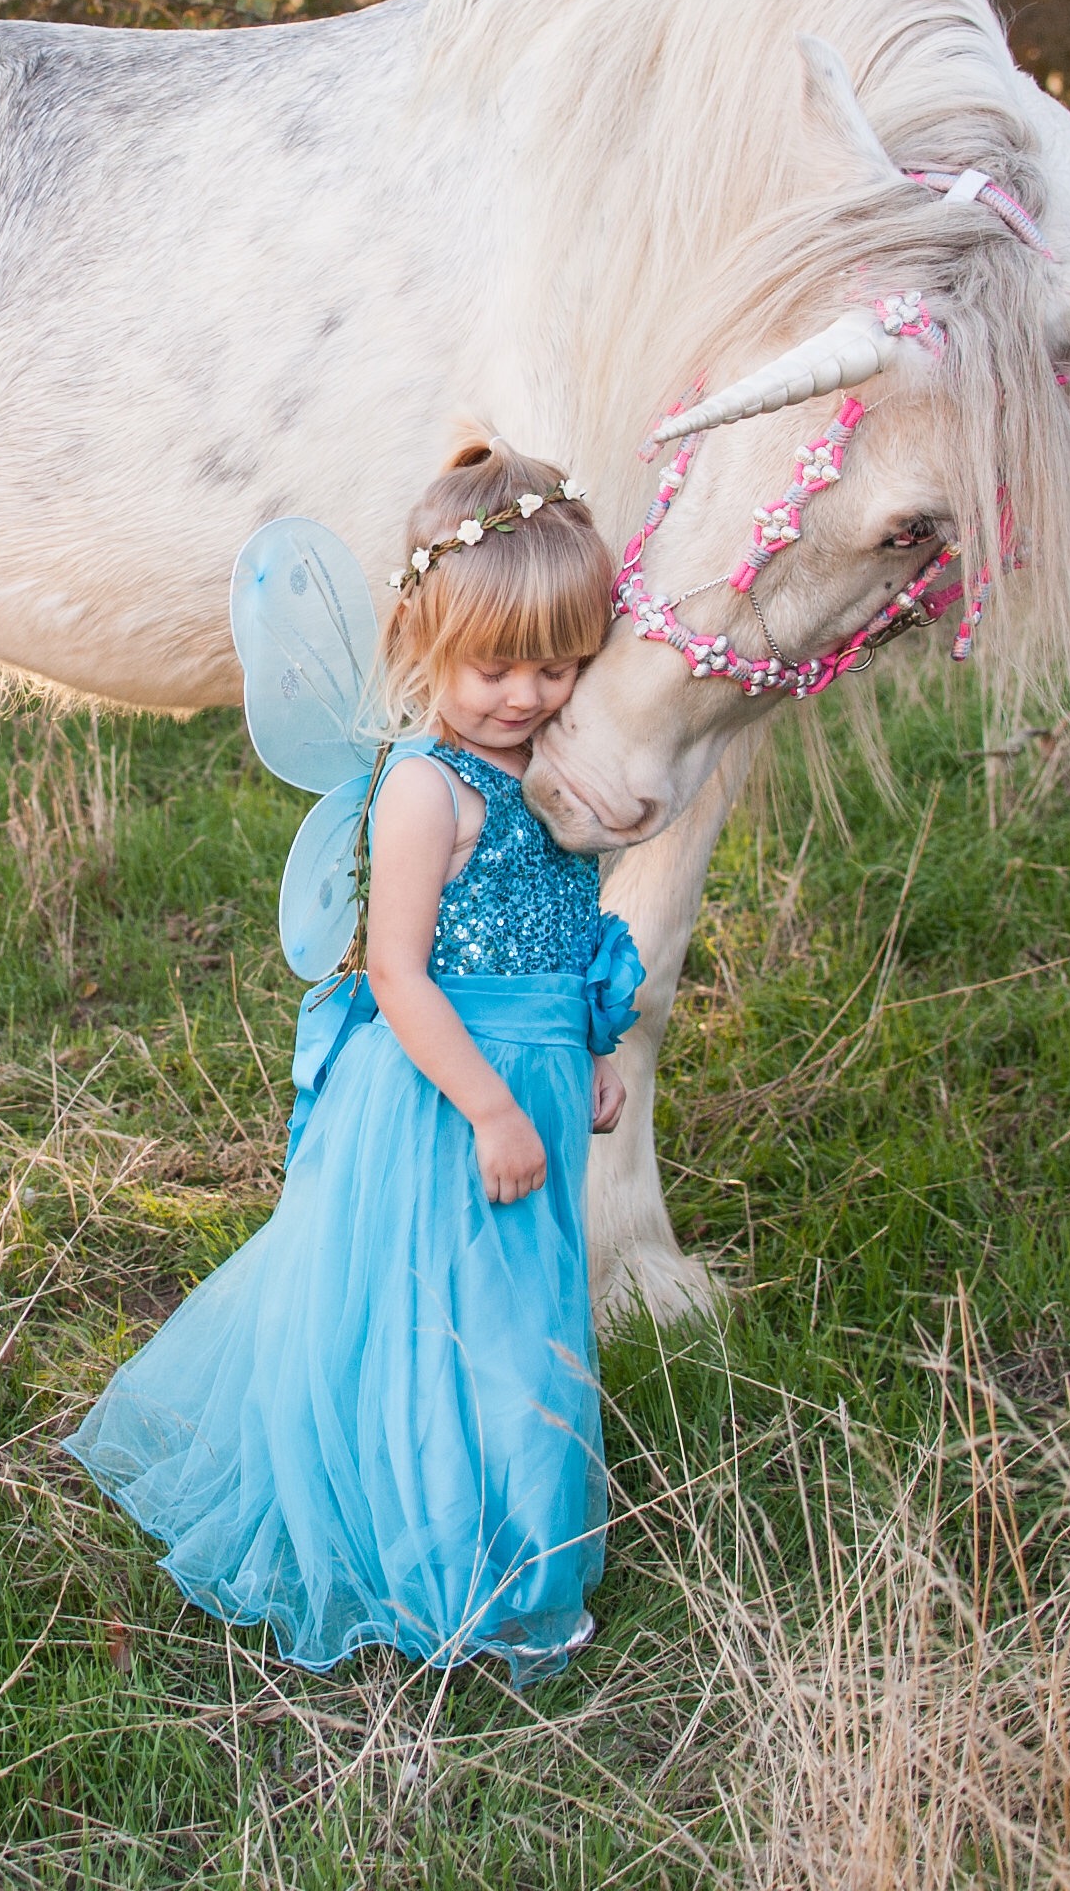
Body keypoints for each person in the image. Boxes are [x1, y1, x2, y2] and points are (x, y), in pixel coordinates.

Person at [65, 437, 646, 1684]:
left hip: (534, 1078)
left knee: (530, 1312)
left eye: (558, 665)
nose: (526, 695)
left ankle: (510, 1542)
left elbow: (567, 929)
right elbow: (398, 975)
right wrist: (492, 1109)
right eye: (494, 667)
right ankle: (453, 1571)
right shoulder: (429, 791)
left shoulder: (552, 773)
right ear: (425, 641)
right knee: (449, 1324)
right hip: (445, 1094)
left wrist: (593, 1050)